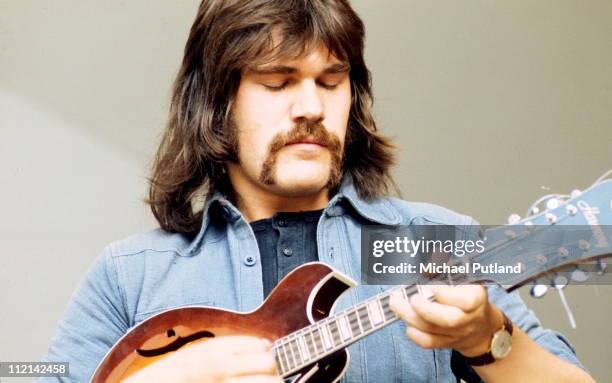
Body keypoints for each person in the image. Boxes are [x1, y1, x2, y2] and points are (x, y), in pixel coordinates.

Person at [41, 1, 593, 382]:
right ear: (216, 103)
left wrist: (489, 339)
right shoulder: (130, 274)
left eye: (331, 81)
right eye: (277, 82)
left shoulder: (432, 244)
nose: (310, 106)